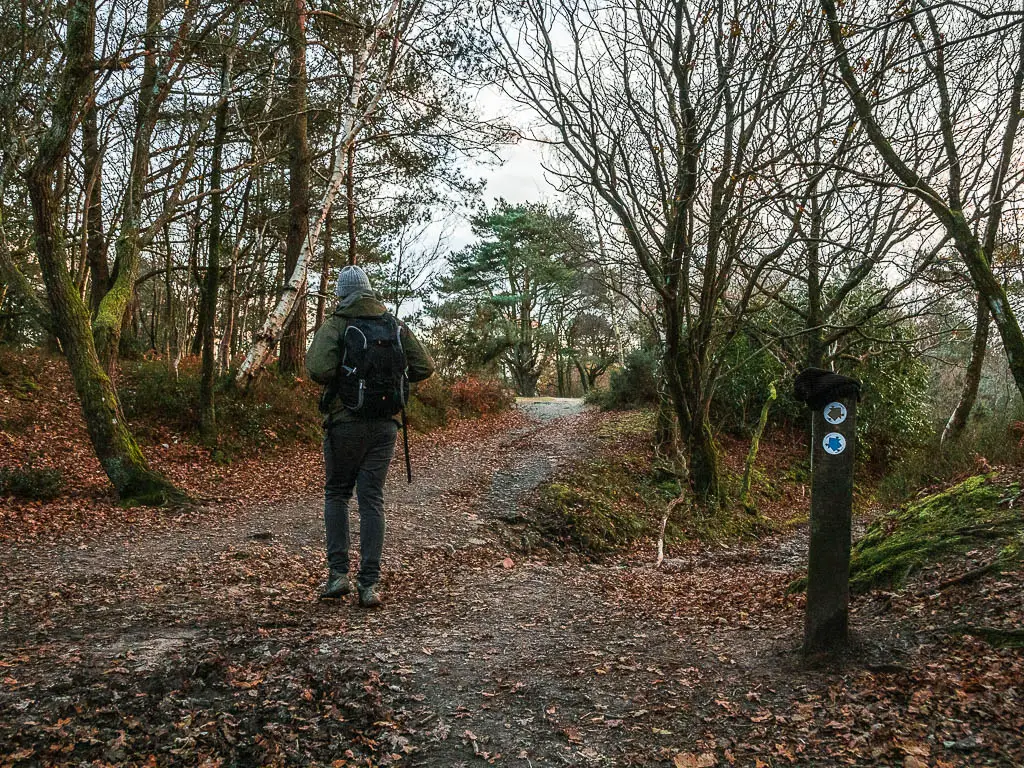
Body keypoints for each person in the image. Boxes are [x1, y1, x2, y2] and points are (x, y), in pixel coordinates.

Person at [306, 265, 434, 607]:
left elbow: (317, 370)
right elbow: (424, 367)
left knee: (337, 494)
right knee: (371, 498)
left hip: (344, 424)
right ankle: (370, 584)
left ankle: (337, 576)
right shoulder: (393, 325)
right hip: (385, 426)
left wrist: (346, 374)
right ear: (369, 290)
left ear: (342, 294)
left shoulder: (335, 325)